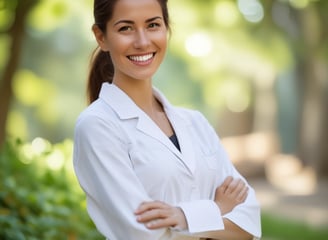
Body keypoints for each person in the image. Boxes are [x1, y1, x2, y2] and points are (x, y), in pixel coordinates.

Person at [73, 0, 262, 239]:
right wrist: (215, 209)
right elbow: (142, 233)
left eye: (153, 25)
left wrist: (183, 217)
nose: (142, 42)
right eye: (125, 28)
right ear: (101, 37)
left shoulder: (195, 122)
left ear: (166, 29)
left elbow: (250, 221)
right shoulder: (97, 126)